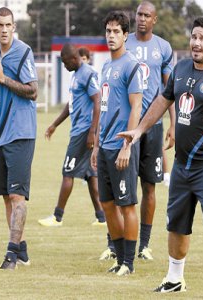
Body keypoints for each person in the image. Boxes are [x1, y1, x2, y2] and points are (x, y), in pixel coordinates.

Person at [118, 16, 203, 299]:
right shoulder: (181, 68)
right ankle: (174, 279)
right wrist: (138, 131)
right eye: (194, 36)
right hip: (183, 164)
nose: (196, 43)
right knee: (176, 223)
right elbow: (162, 101)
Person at [120, 0, 175, 261]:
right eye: (139, 14)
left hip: (152, 126)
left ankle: (144, 244)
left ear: (154, 20)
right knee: (124, 183)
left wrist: (173, 124)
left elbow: (169, 91)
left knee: (149, 186)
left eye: (146, 15)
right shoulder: (124, 42)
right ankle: (116, 242)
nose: (141, 18)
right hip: (127, 125)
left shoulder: (163, 48)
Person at [0, 7, 38, 270]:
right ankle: (23, 251)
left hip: (22, 132)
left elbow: (33, 91)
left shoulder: (24, 52)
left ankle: (11, 255)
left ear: (14, 27)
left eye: (8, 25)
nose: (4, 29)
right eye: (0, 25)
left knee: (18, 197)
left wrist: (4, 78)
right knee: (7, 196)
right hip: (2, 134)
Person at [91, 11, 143, 276]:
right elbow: (105, 106)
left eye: (116, 32)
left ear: (125, 35)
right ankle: (120, 258)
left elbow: (137, 107)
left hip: (122, 147)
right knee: (108, 205)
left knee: (127, 204)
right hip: (104, 147)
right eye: (108, 31)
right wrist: (98, 145)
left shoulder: (131, 65)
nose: (111, 36)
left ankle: (129, 263)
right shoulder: (106, 66)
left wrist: (128, 145)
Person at [38, 44, 105, 227]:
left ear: (74, 59)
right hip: (79, 131)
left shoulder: (88, 73)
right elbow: (72, 104)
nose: (64, 66)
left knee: (67, 172)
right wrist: (54, 125)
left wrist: (92, 132)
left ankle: (57, 217)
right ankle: (102, 217)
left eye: (66, 62)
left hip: (83, 132)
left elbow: (98, 101)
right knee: (91, 175)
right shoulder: (75, 75)